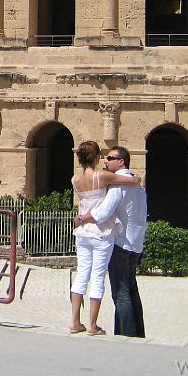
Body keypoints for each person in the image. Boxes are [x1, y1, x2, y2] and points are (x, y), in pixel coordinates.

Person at [69, 140, 142, 336]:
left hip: (82, 231)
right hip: (101, 231)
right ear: (96, 157)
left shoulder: (75, 179)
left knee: (82, 274)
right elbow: (132, 181)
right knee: (98, 276)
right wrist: (136, 179)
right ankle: (92, 325)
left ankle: (75, 321)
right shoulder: (102, 176)